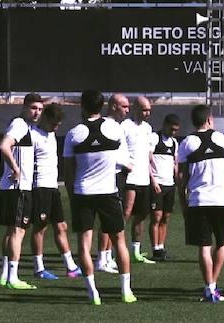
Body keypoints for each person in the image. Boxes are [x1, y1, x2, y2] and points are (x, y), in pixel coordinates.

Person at [63, 89, 136, 305]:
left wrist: (72, 194)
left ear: (82, 107)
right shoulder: (114, 128)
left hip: (83, 193)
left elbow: (68, 172)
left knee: (84, 245)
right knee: (119, 242)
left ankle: (92, 292)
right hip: (108, 193)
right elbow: (124, 161)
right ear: (102, 106)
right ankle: (126, 290)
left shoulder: (73, 133)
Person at [177, 105, 224, 303]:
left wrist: (183, 200)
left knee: (204, 245)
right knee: (222, 242)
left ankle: (209, 287)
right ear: (210, 119)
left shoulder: (187, 142)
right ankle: (213, 285)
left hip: (198, 200)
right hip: (220, 199)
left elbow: (181, 176)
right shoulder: (223, 139)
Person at [29, 103, 82, 280]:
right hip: (39, 187)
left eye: (58, 124)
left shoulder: (51, 135)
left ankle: (70, 267)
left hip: (52, 187)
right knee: (40, 227)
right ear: (44, 118)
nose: (56, 127)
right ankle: (38, 268)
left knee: (61, 226)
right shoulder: (32, 135)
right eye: (54, 123)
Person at [0, 93, 43, 290]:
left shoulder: (22, 124)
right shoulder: (20, 125)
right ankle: (13, 277)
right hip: (19, 187)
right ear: (24, 106)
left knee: (11, 231)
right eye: (33, 108)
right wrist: (16, 169)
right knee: (18, 231)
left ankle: (5, 273)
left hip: (12, 188)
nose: (37, 113)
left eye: (40, 110)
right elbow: (4, 146)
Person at [95, 93, 131, 274]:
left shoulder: (117, 126)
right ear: (114, 106)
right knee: (108, 219)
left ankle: (108, 256)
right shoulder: (106, 126)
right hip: (113, 175)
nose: (127, 110)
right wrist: (125, 163)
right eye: (124, 106)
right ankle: (102, 258)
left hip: (121, 175)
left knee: (115, 218)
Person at [121, 96, 155, 264]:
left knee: (142, 215)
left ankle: (135, 251)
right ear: (135, 108)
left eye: (149, 110)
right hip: (130, 178)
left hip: (144, 179)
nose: (147, 113)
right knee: (125, 214)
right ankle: (113, 251)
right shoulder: (125, 126)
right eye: (143, 109)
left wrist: (152, 176)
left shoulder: (148, 128)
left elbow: (149, 154)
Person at [149, 114, 180, 261]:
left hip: (169, 184)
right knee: (156, 216)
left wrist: (178, 178)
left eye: (176, 130)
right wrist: (153, 180)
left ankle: (161, 247)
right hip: (157, 184)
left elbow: (175, 162)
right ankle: (155, 248)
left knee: (166, 217)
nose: (173, 132)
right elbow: (147, 160)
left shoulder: (174, 143)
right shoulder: (155, 138)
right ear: (165, 124)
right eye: (172, 129)